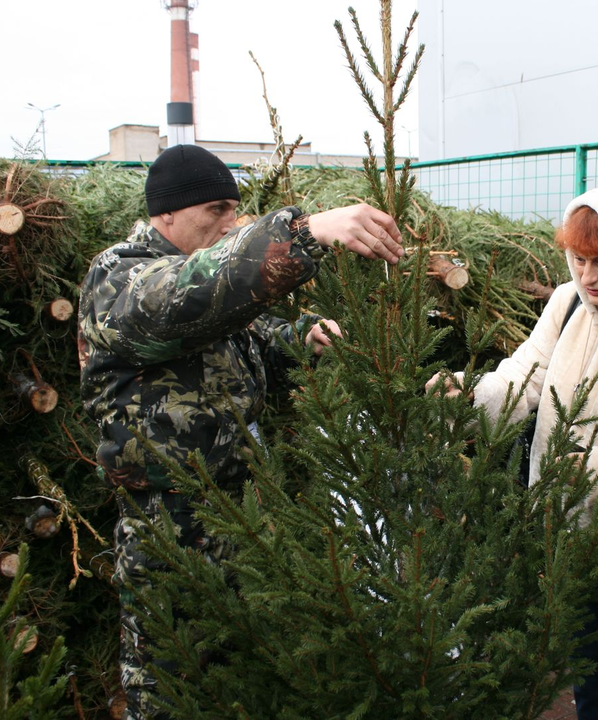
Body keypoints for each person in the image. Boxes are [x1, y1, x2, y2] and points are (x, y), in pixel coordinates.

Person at [77, 144, 404, 720]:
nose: (231, 223)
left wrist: (305, 335)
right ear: (167, 213)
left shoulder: (207, 280)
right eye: (217, 210)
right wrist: (304, 230)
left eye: (236, 209)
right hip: (171, 526)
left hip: (245, 511)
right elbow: (186, 299)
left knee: (246, 681)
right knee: (173, 684)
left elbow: (246, 338)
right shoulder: (121, 275)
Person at [428, 185, 598, 719]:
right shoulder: (568, 303)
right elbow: (524, 377)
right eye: (576, 259)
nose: (587, 276)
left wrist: (594, 470)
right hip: (564, 525)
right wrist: (466, 395)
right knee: (585, 664)